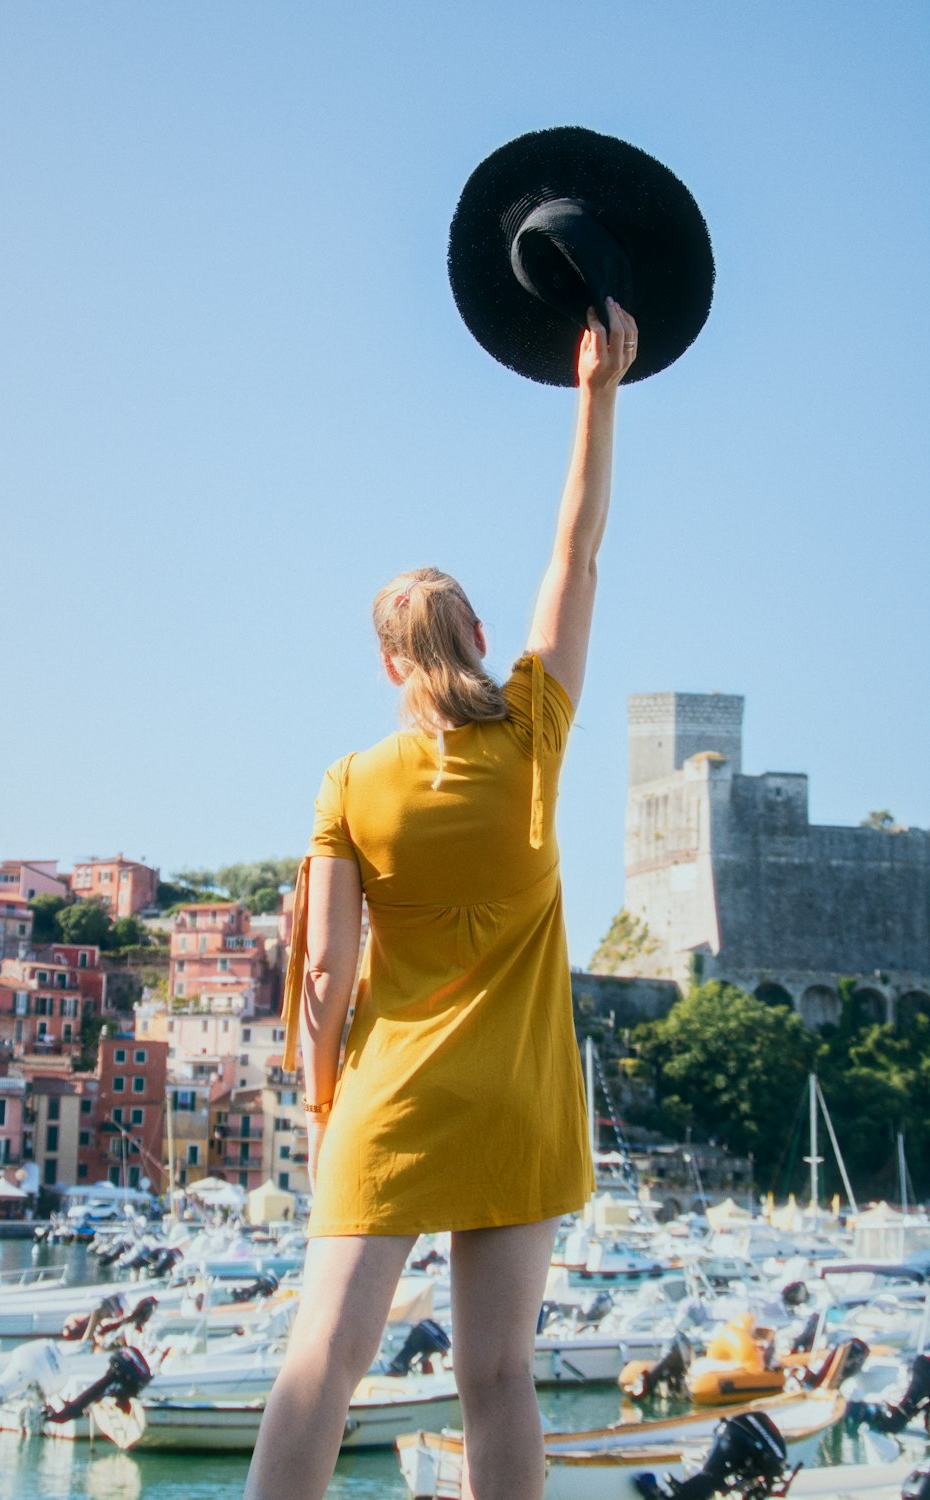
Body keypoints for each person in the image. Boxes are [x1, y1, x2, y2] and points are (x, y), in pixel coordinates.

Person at [243, 296, 639, 1500]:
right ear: (475, 632)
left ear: (385, 662)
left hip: (390, 1100)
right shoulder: (532, 730)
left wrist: (323, 1108)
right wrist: (596, 394)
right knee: (498, 1379)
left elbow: (322, 971)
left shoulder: (349, 784)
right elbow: (575, 552)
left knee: (322, 1362)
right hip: (516, 1102)